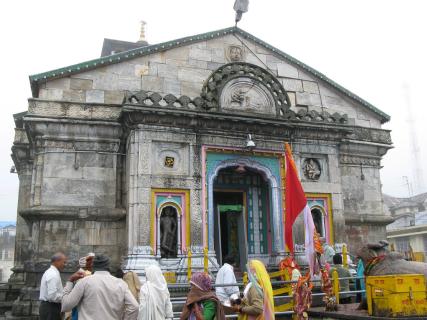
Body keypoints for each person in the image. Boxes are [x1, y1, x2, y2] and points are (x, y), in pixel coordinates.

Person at [61, 254, 138, 320]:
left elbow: (66, 306)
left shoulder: (84, 282)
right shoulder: (120, 283)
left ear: (93, 266)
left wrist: (70, 281)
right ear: (108, 266)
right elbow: (134, 307)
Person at [39, 252, 67, 320]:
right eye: (64, 262)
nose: (65, 265)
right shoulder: (52, 274)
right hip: (51, 308)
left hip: (52, 307)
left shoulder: (53, 272)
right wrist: (65, 297)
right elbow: (52, 296)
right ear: (57, 261)